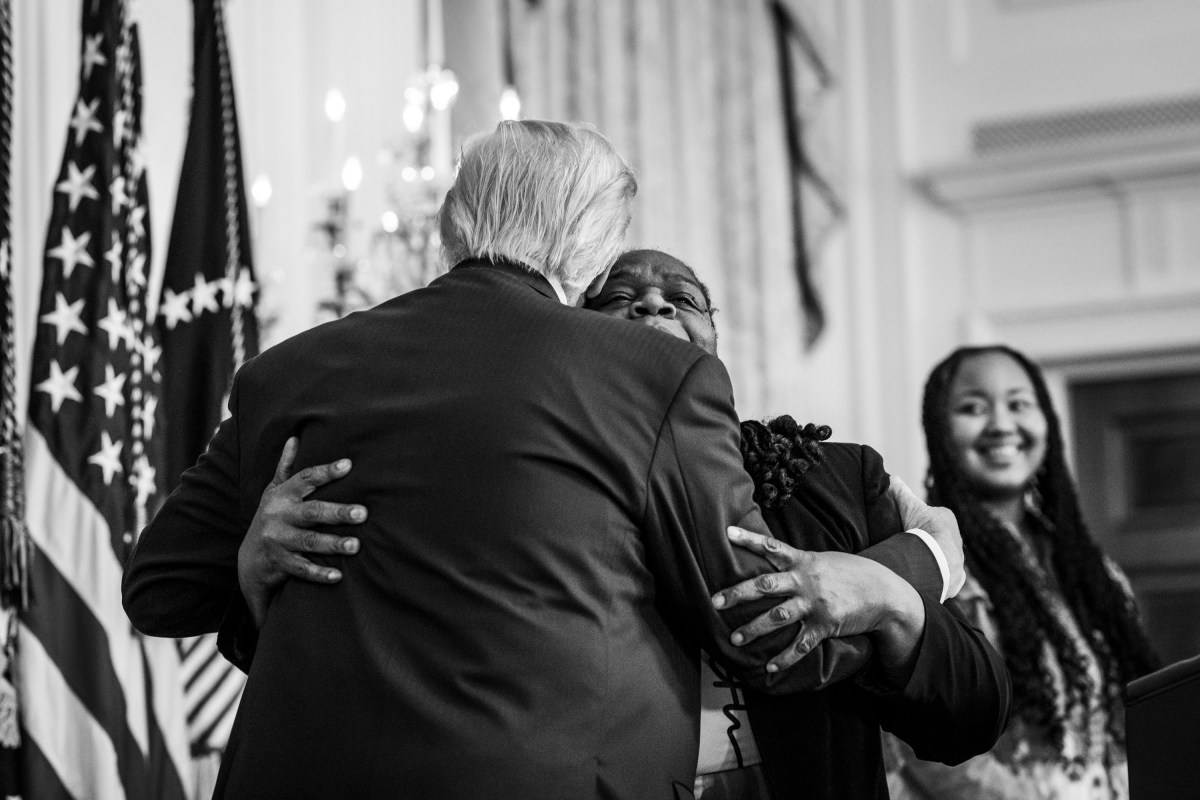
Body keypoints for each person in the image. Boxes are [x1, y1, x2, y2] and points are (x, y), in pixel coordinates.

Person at [123, 121, 945, 800]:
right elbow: (762, 628)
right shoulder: (653, 375)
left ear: (454, 218)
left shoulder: (290, 369)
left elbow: (157, 587)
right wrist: (923, 562)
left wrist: (250, 558)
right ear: (593, 246)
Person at [233, 249, 1011, 800]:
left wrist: (892, 595)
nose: (652, 305)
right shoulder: (527, 488)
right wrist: (254, 570)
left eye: (683, 297)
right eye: (616, 297)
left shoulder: (838, 481)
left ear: (714, 340)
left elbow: (969, 712)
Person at [885, 345, 1160, 800]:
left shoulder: (1095, 573)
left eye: (1019, 404)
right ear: (939, 431)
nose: (1001, 424)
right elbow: (921, 740)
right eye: (973, 407)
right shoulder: (929, 566)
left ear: (1046, 421)